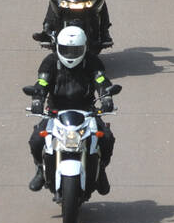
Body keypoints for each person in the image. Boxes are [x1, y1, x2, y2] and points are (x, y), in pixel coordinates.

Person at [25, 28, 118, 194]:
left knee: (107, 138)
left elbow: (101, 80)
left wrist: (106, 97)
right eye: (66, 50)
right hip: (55, 112)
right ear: (58, 47)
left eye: (75, 50)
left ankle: (101, 170)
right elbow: (42, 83)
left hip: (87, 112)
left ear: (84, 47)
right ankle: (40, 169)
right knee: (36, 140)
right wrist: (37, 99)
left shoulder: (92, 61)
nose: (70, 54)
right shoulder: (50, 61)